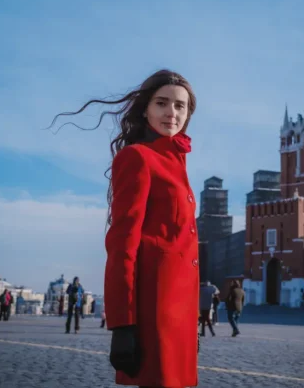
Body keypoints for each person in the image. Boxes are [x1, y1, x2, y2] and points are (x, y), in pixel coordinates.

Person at [51, 69, 199, 387]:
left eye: (180, 106)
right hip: (153, 310)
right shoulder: (138, 158)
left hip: (179, 313)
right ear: (145, 107)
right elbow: (122, 244)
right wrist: (122, 325)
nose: (171, 113)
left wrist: (191, 321)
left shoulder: (178, 162)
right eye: (162, 103)